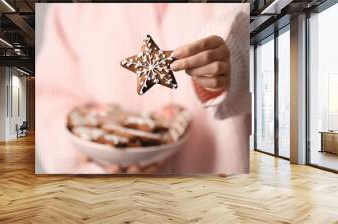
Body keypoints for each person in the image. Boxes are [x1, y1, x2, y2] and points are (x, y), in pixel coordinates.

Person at [36, 3, 251, 174]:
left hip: (216, 184)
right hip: (113, 201)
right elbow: (51, 102)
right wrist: (93, 157)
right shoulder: (69, 11)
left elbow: (255, 33)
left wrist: (233, 64)